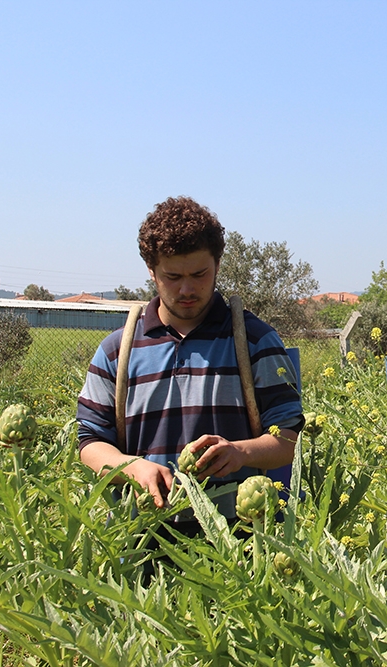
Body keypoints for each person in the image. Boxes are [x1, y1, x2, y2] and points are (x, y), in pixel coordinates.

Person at [76, 196, 303, 532]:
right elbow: (89, 441)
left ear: (218, 264)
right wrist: (131, 467)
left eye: (200, 274)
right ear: (151, 272)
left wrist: (241, 453)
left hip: (239, 540)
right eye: (172, 276)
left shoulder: (255, 342)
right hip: (143, 539)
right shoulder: (116, 351)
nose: (187, 289)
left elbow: (290, 439)